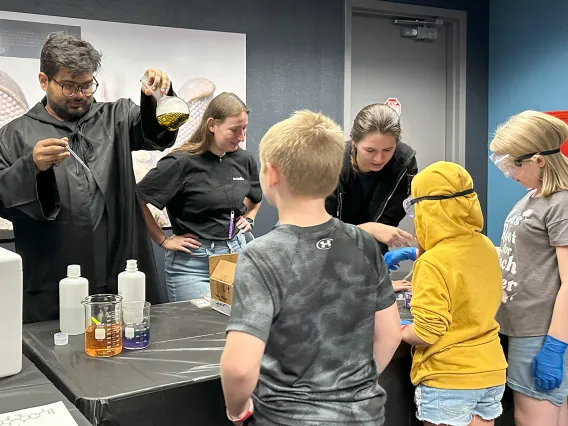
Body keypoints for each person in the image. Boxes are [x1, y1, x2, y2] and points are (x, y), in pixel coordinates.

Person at [220, 110, 402, 425]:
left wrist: (236, 410)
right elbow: (389, 335)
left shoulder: (261, 256)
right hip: (363, 415)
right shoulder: (364, 243)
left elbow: (239, 367)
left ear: (271, 174)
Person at [0, 32, 177, 323]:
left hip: (122, 269)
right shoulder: (14, 136)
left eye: (87, 85)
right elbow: (4, 201)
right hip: (56, 279)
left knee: (133, 353)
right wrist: (31, 167)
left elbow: (158, 135)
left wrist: (161, 98)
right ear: (44, 81)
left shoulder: (116, 118)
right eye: (69, 86)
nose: (80, 95)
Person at [401, 161, 507, 426]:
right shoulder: (485, 246)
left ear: (428, 210)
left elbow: (426, 333)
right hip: (491, 372)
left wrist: (400, 329)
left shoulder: (432, 263)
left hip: (450, 375)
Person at [137, 92, 262, 302]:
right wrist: (163, 241)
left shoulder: (245, 160)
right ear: (212, 124)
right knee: (202, 331)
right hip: (192, 264)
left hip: (234, 254)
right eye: (234, 129)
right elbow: (137, 200)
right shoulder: (180, 162)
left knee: (233, 328)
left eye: (244, 128)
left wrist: (248, 218)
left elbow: (255, 199)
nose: (241, 137)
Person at [489, 110, 568, 426]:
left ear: (539, 160)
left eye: (513, 164)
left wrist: (555, 346)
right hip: (522, 328)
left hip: (541, 333)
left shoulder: (560, 203)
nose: (508, 172)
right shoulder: (533, 198)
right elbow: (515, 255)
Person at [325, 103, 418, 254]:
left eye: (388, 150)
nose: (379, 159)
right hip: (329, 251)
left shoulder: (403, 165)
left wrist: (378, 268)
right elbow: (321, 232)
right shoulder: (332, 165)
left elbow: (386, 224)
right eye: (370, 150)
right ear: (354, 141)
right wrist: (369, 229)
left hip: (370, 249)